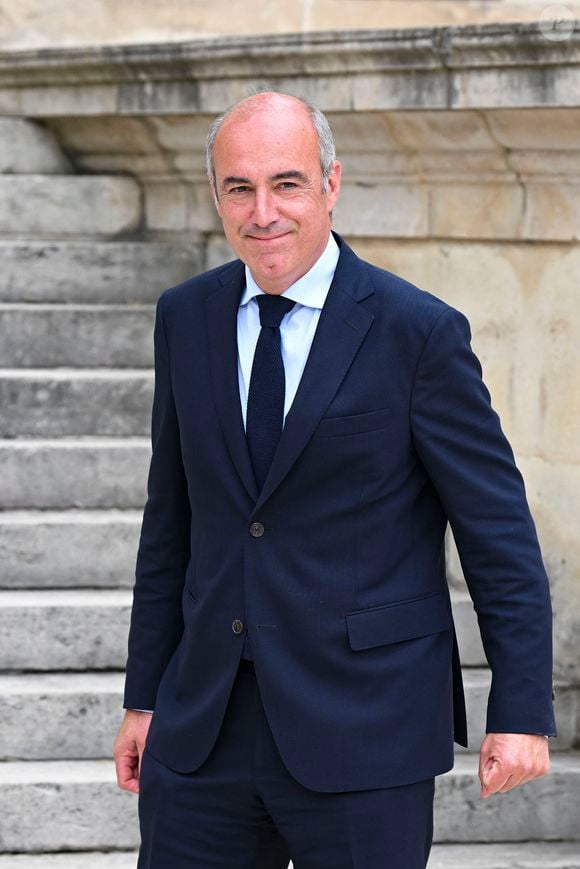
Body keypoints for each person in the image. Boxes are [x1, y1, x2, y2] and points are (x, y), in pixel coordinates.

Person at [113, 91, 556, 868]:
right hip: (204, 727)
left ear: (331, 184)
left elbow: (497, 534)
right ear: (215, 194)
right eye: (238, 188)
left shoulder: (416, 331)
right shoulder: (185, 317)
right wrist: (145, 694)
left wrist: (520, 709)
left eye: (285, 183)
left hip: (366, 726)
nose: (262, 212)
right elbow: (171, 524)